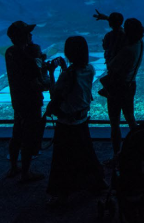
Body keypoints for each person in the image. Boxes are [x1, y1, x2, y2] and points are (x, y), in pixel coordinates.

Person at [46, 36, 107, 205]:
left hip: (67, 123)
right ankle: (97, 182)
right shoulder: (90, 69)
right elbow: (76, 83)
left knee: (63, 159)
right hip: (82, 119)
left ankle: (62, 194)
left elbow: (55, 94)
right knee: (86, 153)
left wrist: (51, 72)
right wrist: (66, 68)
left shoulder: (67, 75)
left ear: (68, 53)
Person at [4, 20, 50, 182]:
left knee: (17, 132)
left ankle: (13, 167)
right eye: (27, 33)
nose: (31, 35)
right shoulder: (28, 57)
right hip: (31, 101)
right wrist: (44, 68)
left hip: (17, 99)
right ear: (22, 36)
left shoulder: (10, 52)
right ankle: (26, 172)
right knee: (29, 136)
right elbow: (39, 82)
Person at [102, 18, 144, 156]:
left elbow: (111, 66)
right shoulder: (140, 43)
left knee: (114, 122)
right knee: (130, 118)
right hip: (130, 85)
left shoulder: (126, 50)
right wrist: (109, 19)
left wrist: (110, 54)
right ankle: (139, 148)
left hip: (118, 88)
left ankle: (117, 155)